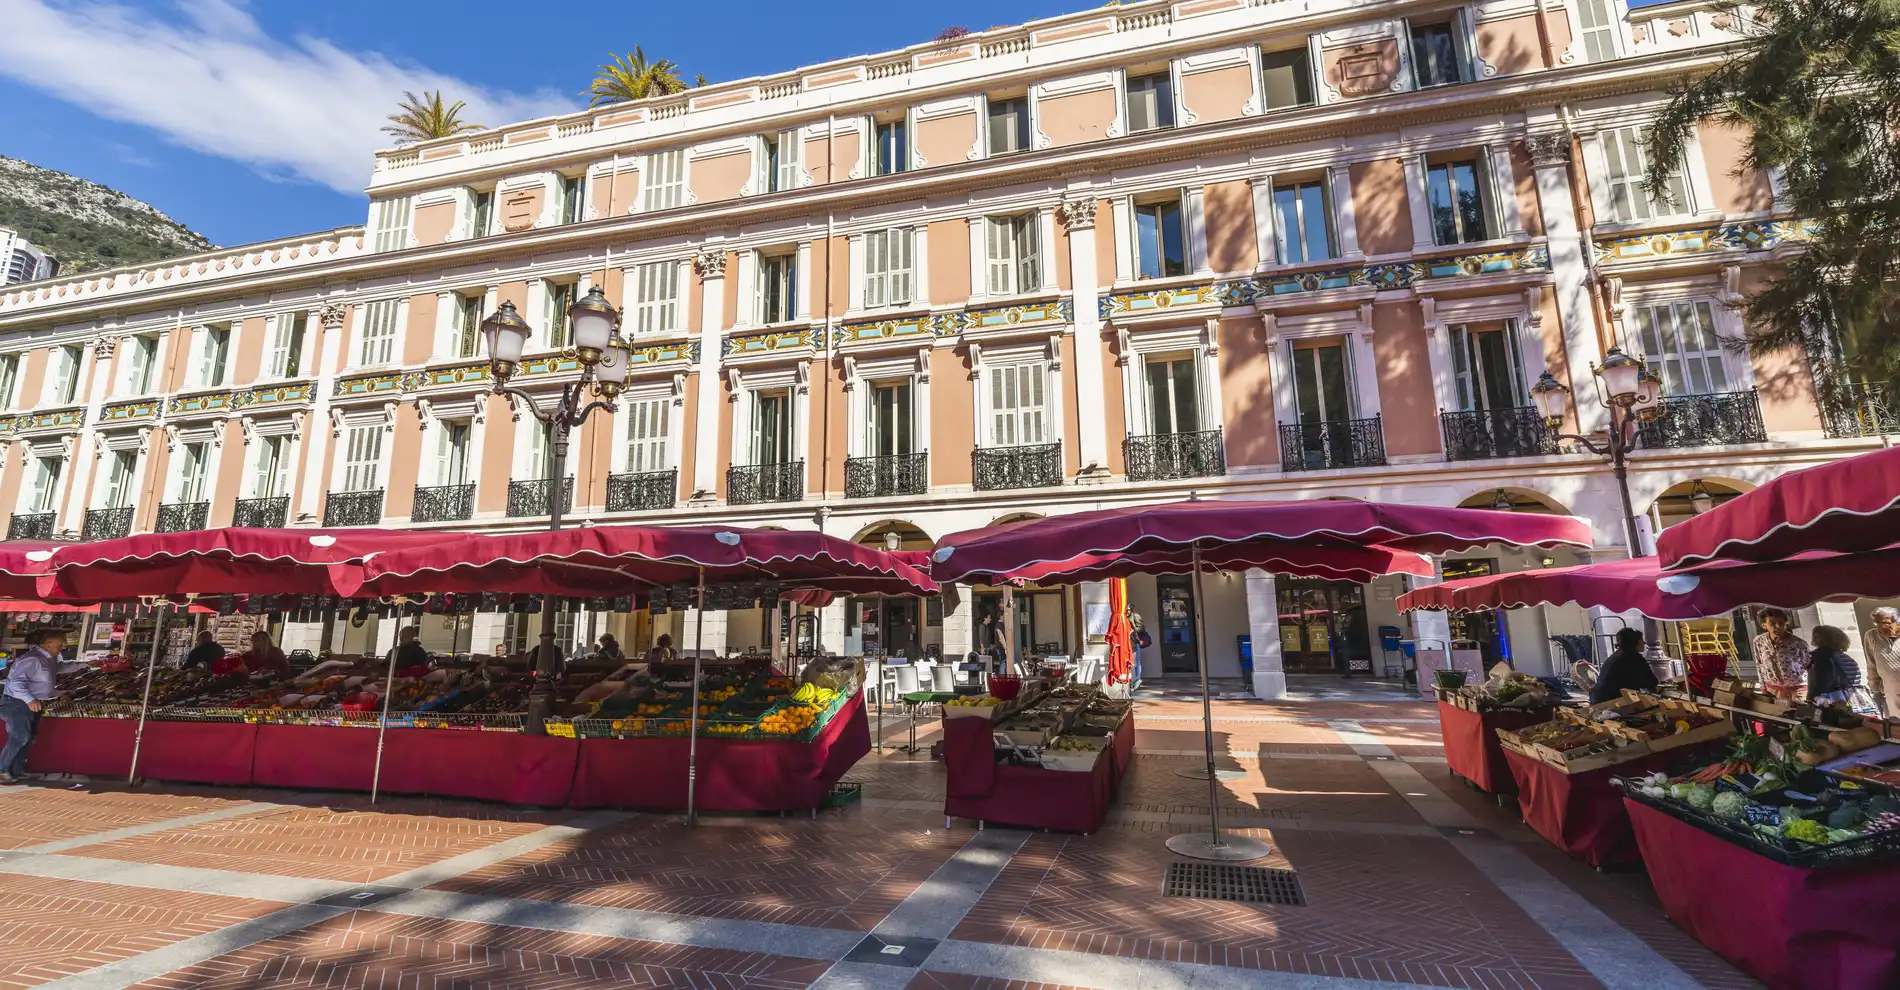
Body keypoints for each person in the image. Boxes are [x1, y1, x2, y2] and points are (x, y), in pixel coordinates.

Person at [1, 629, 85, 783]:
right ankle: (2, 770)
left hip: (34, 702)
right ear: (49, 644)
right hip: (17, 703)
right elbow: (16, 683)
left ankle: (16, 770)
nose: (63, 647)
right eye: (60, 644)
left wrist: (84, 664)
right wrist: (29, 700)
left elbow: (59, 668)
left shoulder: (48, 658)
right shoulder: (32, 660)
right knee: (20, 736)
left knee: (29, 737)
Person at [1751, 608, 1809, 700]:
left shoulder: (1799, 643)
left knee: (1798, 713)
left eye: (1781, 623)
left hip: (1797, 690)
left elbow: (1807, 665)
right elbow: (1759, 665)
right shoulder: (1759, 641)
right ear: (1764, 625)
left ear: (1786, 625)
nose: (1777, 626)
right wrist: (1763, 687)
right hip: (1773, 690)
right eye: (1772, 623)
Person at [1590, 628, 1659, 704]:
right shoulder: (1633, 658)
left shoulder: (1616, 656)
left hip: (1597, 698)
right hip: (1612, 701)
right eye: (1641, 640)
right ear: (1636, 642)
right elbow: (1651, 682)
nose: (1644, 643)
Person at [1806, 625, 1863, 706]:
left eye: (1817, 637)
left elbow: (1821, 683)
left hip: (1828, 703)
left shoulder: (1821, 656)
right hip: (1850, 701)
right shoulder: (1847, 658)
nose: (1814, 640)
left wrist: (1811, 700)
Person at [1862, 607, 1900, 716]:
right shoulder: (1871, 636)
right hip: (1889, 690)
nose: (1881, 628)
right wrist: (1874, 687)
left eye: (1885, 623)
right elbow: (1871, 664)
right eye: (1877, 623)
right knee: (1895, 726)